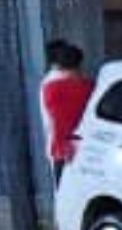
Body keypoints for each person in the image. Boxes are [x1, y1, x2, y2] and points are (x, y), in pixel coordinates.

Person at [40, 40, 95, 185]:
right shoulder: (91, 87)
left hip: (62, 150)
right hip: (89, 148)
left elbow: (56, 123)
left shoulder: (50, 88)